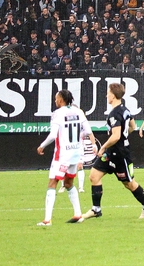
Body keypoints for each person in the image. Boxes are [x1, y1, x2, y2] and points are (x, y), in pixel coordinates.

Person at [81, 82, 144, 220]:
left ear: (113, 95)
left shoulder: (115, 114)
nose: (106, 95)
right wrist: (124, 136)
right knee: (93, 176)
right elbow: (133, 125)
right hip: (110, 153)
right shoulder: (125, 109)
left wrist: (103, 147)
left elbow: (115, 136)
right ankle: (96, 209)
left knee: (129, 183)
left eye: (108, 92)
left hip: (120, 155)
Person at [36, 89, 92, 225]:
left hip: (62, 154)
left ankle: (47, 219)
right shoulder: (79, 112)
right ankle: (78, 214)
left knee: (52, 183)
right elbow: (88, 131)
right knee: (68, 183)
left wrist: (42, 146)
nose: (55, 101)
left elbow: (53, 135)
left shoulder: (57, 114)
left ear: (61, 100)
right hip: (75, 153)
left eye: (56, 99)